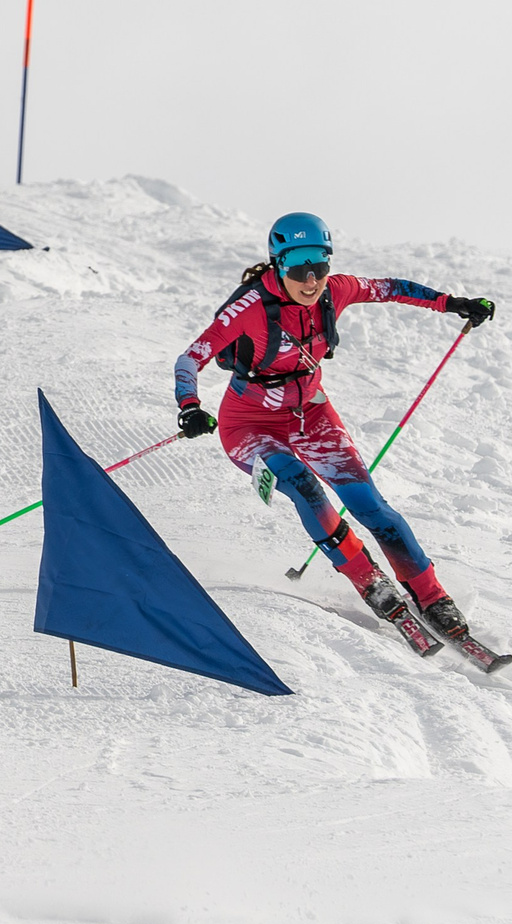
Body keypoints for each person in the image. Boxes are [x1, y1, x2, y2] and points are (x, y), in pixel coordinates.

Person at [173, 212, 495, 639]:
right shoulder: (249, 308)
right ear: (277, 263)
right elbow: (189, 358)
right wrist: (190, 406)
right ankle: (369, 581)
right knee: (303, 484)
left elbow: (389, 289)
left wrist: (451, 303)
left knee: (368, 503)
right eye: (298, 268)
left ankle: (432, 596)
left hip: (312, 413)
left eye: (319, 267)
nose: (311, 280)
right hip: (249, 425)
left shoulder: (335, 291)